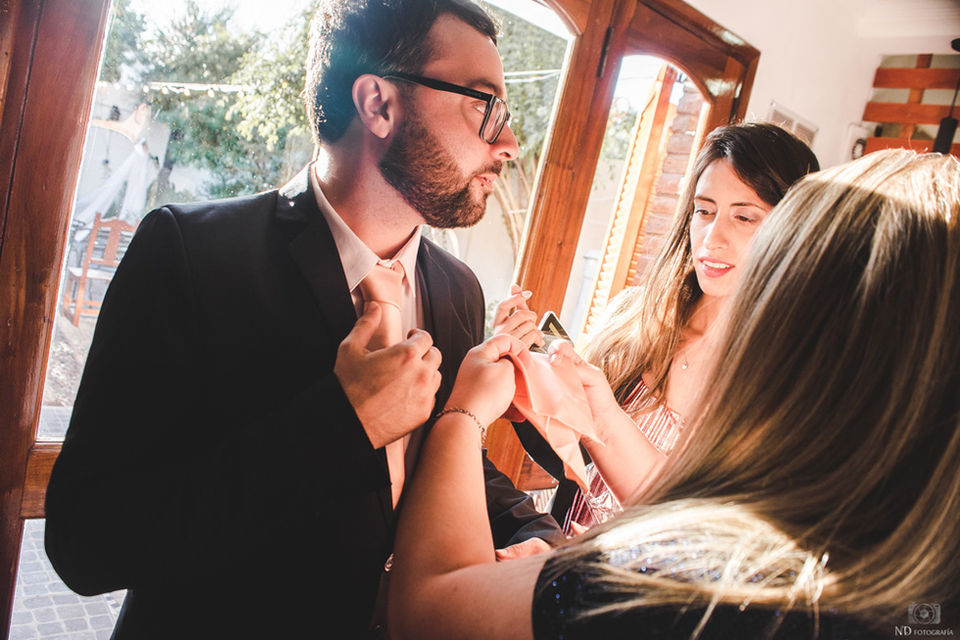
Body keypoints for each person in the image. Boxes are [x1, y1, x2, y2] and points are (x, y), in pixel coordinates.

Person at [44, 1, 563, 637]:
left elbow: (435, 458)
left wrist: (535, 532)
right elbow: (87, 540)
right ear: (378, 104)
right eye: (485, 106)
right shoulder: (190, 254)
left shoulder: (458, 291)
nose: (509, 143)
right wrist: (340, 426)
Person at [385, 149, 960, 639]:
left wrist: (461, 415)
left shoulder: (708, 585)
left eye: (754, 228)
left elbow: (431, 611)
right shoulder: (923, 598)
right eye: (704, 212)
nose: (716, 238)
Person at [524, 123, 820, 529]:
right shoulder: (634, 318)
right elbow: (572, 459)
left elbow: (697, 528)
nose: (713, 238)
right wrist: (526, 389)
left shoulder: (788, 383)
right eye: (704, 210)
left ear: (797, 230)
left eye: (745, 217)